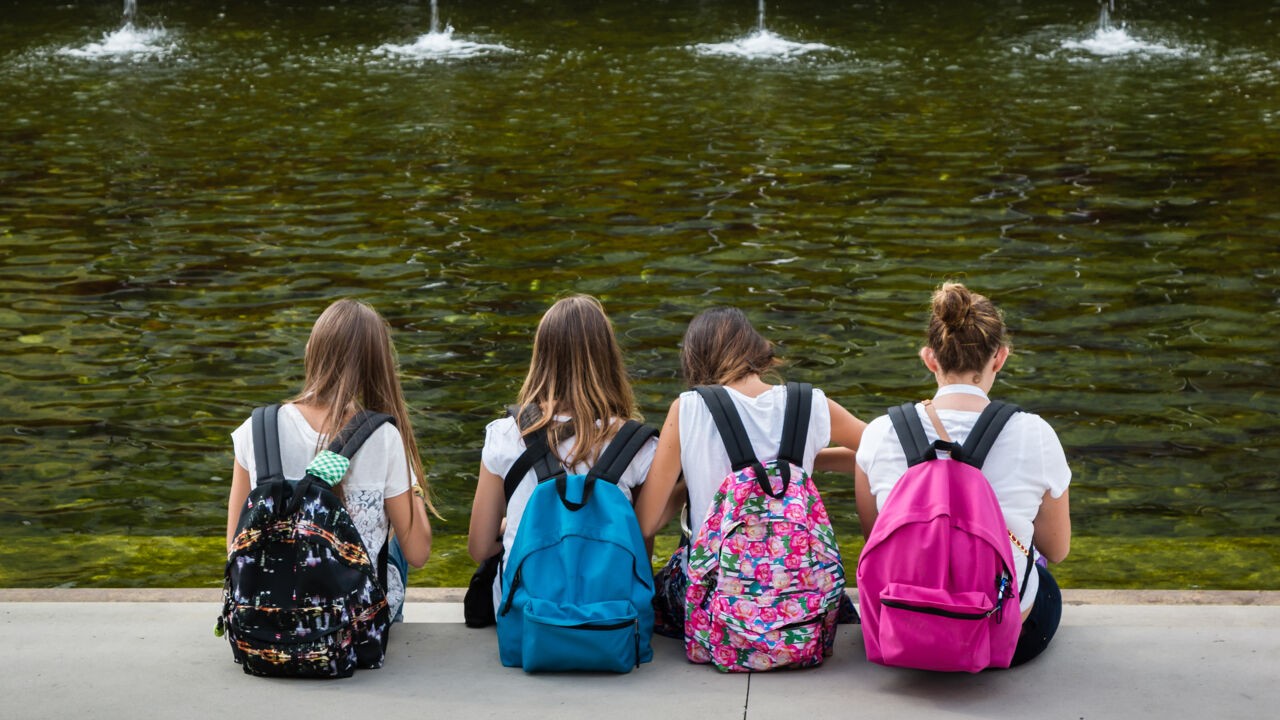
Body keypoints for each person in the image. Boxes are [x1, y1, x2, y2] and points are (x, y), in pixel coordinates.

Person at [853, 282, 1071, 666]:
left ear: (929, 359)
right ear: (1000, 358)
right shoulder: (1035, 433)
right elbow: (1057, 548)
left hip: (902, 625)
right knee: (1044, 579)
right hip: (1000, 635)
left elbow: (877, 537)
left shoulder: (880, 431)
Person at [634, 306, 867, 637]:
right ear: (756, 349)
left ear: (695, 360)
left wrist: (688, 480)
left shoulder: (688, 409)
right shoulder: (810, 403)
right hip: (796, 590)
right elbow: (885, 451)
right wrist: (809, 461)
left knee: (664, 588)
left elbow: (647, 522)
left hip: (718, 603)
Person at [226, 298, 434, 622]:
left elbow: (235, 546)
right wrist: (414, 488)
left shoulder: (255, 430)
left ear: (312, 350)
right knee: (396, 549)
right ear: (379, 365)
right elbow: (418, 553)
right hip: (348, 628)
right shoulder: (383, 437)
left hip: (267, 622)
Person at [467, 294, 658, 608]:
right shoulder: (638, 444)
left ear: (541, 357)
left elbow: (479, 547)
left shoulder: (504, 435)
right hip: (611, 618)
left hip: (526, 616)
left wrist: (511, 524)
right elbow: (639, 554)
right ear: (609, 359)